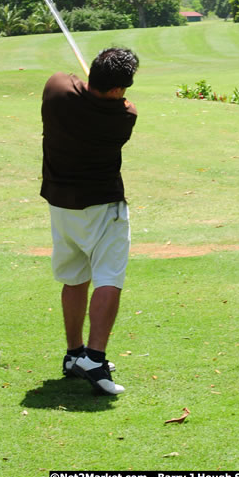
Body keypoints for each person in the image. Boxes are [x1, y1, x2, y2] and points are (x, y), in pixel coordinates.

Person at [40, 47, 139, 395]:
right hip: (103, 207)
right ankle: (94, 358)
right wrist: (109, 94)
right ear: (116, 90)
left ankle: (73, 354)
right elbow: (122, 104)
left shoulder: (55, 90)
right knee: (109, 277)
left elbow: (68, 79)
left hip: (61, 204)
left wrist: (95, 83)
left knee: (75, 276)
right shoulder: (123, 116)